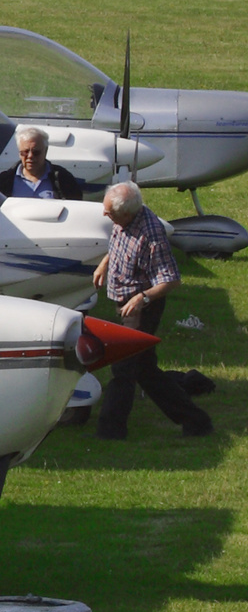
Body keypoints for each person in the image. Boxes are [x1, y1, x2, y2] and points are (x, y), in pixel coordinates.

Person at [91, 181, 213, 440]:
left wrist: (142, 297)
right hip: (124, 303)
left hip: (142, 308)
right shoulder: (123, 219)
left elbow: (171, 279)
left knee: (123, 368)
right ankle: (196, 421)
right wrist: (104, 264)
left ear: (127, 213)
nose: (104, 215)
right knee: (145, 370)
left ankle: (109, 432)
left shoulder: (152, 234)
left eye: (109, 213)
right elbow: (119, 243)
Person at [0, 126, 85, 200]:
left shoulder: (62, 178)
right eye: (25, 152)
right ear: (19, 153)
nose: (30, 156)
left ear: (45, 151)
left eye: (36, 152)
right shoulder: (4, 180)